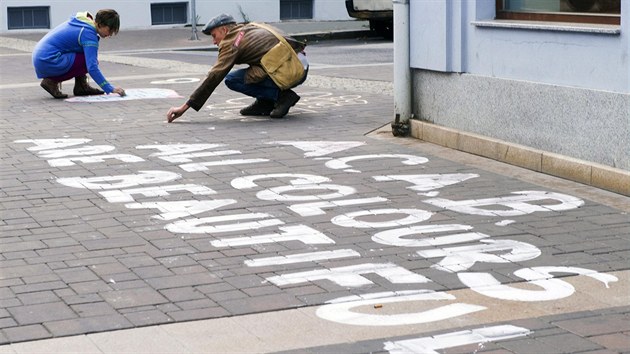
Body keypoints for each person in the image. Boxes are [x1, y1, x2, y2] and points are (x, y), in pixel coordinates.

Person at [166, 13, 308, 123]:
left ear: (224, 29)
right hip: (299, 65)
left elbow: (214, 76)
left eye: (215, 36)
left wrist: (184, 107)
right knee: (253, 70)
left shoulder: (231, 42)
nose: (214, 41)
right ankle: (265, 103)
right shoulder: (249, 27)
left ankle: (282, 97)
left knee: (232, 79)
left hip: (292, 71)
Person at [32, 9, 126, 99]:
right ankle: (51, 82)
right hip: (48, 60)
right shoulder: (88, 34)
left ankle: (81, 86)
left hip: (41, 57)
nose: (110, 34)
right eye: (109, 30)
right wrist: (110, 88)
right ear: (100, 24)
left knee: (86, 55)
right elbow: (92, 67)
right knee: (90, 60)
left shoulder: (83, 22)